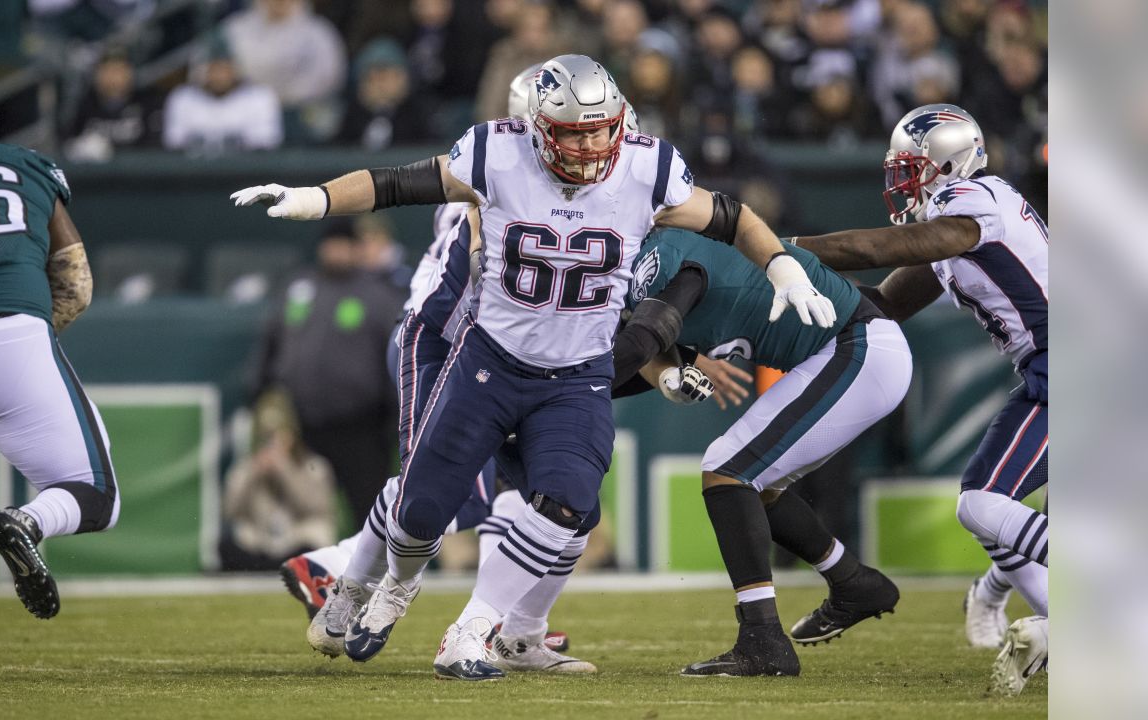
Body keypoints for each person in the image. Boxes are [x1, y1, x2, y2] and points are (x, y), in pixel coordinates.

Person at [232, 53, 836, 681]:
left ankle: (478, 630)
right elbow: (394, 183)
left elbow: (730, 217)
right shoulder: (495, 157)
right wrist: (313, 198)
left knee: (572, 502)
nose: (593, 143)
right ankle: (375, 582)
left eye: (603, 127)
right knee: (424, 513)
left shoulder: (647, 167)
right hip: (484, 358)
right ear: (538, 127)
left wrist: (781, 265)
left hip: (576, 373)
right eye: (576, 130)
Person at [280, 65, 621, 674]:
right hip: (442, 336)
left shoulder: (572, 178)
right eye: (571, 133)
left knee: (533, 495)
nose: (589, 150)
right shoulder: (499, 170)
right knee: (448, 486)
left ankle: (510, 624)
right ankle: (341, 574)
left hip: (493, 346)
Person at [793, 103, 1048, 696]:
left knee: (982, 503)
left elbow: (882, 248)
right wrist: (783, 296)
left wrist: (777, 247)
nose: (902, 181)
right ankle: (999, 601)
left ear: (950, 163)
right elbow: (880, 305)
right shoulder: (953, 231)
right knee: (993, 504)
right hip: (1049, 367)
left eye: (912, 168)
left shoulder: (976, 202)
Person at [614, 229, 911, 676]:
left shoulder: (663, 251)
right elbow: (641, 351)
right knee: (758, 484)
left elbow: (644, 337)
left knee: (727, 469)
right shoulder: (643, 261)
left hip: (858, 348)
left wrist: (558, 387)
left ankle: (762, 638)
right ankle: (853, 582)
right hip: (851, 351)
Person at [0, 76, 120, 619]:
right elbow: (75, 282)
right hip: (18, 339)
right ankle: (27, 522)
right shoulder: (26, 165)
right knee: (94, 494)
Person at [250, 220, 405, 528]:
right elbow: (270, 343)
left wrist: (394, 420)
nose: (336, 252)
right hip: (301, 429)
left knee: (370, 512)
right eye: (331, 244)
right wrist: (257, 390)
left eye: (344, 244)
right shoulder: (299, 289)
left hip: (361, 429)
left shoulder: (378, 296)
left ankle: (375, 572)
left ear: (356, 249)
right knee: (299, 514)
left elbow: (396, 356)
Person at [219, 390, 336, 570]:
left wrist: (284, 469)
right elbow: (229, 511)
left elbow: (313, 507)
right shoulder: (247, 467)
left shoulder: (314, 465)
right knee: (228, 545)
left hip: (297, 540)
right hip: (262, 544)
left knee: (316, 535)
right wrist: (254, 473)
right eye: (266, 437)